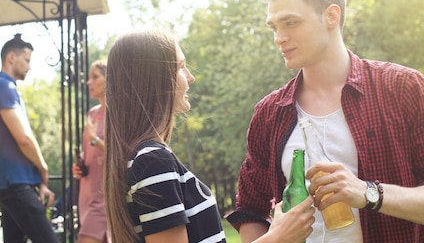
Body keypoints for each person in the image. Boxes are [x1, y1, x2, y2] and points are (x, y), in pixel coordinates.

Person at [226, 0, 424, 243]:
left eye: (290, 23)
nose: (279, 38)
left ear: (331, 16)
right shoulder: (268, 114)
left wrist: (368, 193)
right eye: (274, 27)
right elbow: (250, 211)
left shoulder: (403, 88)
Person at [104, 29, 315, 243]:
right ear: (153, 79)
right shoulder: (152, 161)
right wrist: (278, 237)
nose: (190, 77)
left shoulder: (145, 158)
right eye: (180, 67)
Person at [0, 33, 59, 243]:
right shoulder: (3, 87)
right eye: (27, 60)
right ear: (11, 58)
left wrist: (38, 182)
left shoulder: (5, 88)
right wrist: (43, 169)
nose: (29, 66)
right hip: (14, 184)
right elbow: (23, 138)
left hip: (12, 182)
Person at [72, 60, 110, 243]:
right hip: (87, 194)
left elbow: (118, 155)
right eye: (89, 78)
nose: (89, 82)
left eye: (95, 77)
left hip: (104, 199)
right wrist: (80, 168)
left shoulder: (117, 114)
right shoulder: (92, 113)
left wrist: (94, 139)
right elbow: (91, 156)